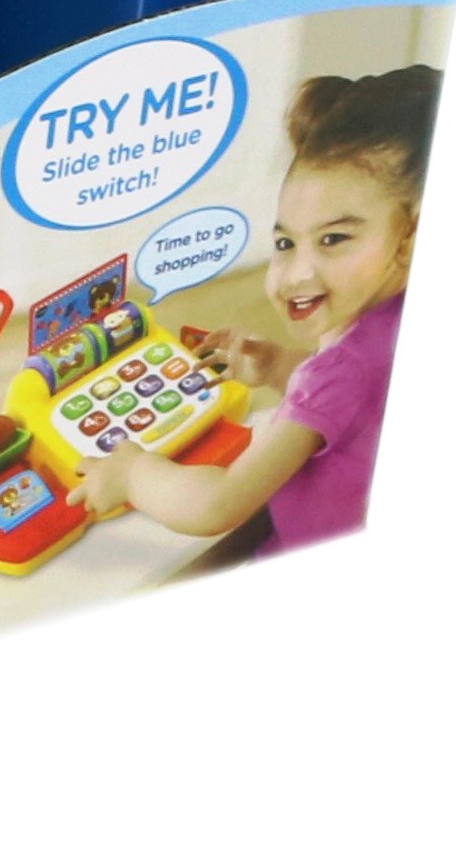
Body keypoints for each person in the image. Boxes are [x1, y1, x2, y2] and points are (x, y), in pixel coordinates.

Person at [83, 63, 433, 555]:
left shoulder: (340, 368)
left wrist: (133, 474)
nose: (296, 275)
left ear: (411, 235)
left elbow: (218, 504)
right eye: (286, 243)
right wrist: (278, 364)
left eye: (334, 239)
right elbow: (359, 406)